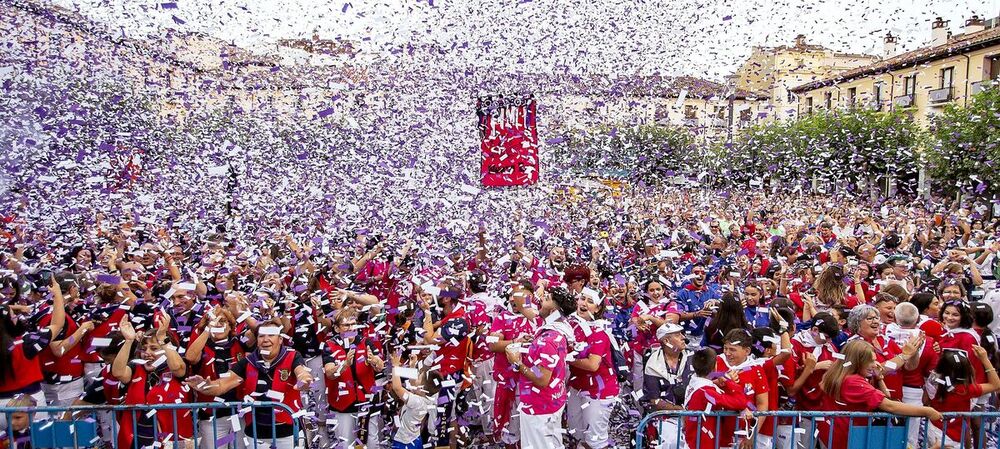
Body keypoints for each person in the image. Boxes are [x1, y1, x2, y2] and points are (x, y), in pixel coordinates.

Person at [186, 319, 315, 449]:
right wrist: (205, 386)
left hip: (287, 433)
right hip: (255, 434)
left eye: (271, 335)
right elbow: (222, 385)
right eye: (261, 336)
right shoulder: (248, 362)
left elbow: (302, 372)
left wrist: (304, 379)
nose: (265, 339)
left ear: (280, 339)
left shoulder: (292, 356)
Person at [816, 339, 941, 449]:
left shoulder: (836, 373)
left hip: (835, 435)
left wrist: (880, 379)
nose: (875, 365)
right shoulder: (852, 381)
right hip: (849, 438)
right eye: (870, 361)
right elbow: (890, 405)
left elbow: (886, 396)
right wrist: (927, 411)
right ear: (858, 361)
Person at [504, 286, 577, 449]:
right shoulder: (557, 328)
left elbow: (542, 380)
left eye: (547, 298)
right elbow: (544, 371)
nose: (542, 299)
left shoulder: (549, 339)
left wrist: (517, 362)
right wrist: (530, 348)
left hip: (540, 406)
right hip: (551, 401)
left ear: (553, 310)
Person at [111, 313, 192, 449]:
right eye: (144, 349)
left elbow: (178, 368)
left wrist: (162, 339)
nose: (147, 352)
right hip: (137, 439)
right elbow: (118, 372)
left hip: (170, 440)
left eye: (154, 348)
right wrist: (129, 341)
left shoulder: (174, 365)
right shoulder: (136, 366)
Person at [0, 276, 65, 429]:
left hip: (1, 407)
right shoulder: (26, 342)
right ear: (11, 321)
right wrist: (57, 295)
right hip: (29, 404)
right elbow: (57, 324)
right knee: (36, 442)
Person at [566, 288, 619, 449]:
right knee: (580, 435)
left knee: (595, 441)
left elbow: (592, 364)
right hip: (577, 388)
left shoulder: (599, 332)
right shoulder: (571, 326)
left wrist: (565, 357)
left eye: (590, 301)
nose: (583, 303)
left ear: (597, 308)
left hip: (599, 392)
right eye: (582, 298)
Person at [925, 345, 1000, 449]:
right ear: (966, 369)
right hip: (951, 438)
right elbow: (995, 385)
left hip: (934, 430)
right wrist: (985, 359)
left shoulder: (933, 381)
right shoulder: (966, 390)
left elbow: (925, 400)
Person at [683, 348, 750, 449]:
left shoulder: (694, 383)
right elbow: (740, 402)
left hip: (696, 441)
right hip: (702, 443)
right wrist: (728, 381)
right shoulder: (706, 393)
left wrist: (718, 381)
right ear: (715, 367)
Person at [641, 323, 692, 449]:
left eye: (682, 333)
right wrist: (680, 410)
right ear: (666, 340)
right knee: (673, 442)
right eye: (677, 335)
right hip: (665, 418)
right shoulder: (653, 364)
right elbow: (654, 400)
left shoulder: (692, 358)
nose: (683, 337)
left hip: (693, 415)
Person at [387, 350, 442, 449]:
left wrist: (395, 366)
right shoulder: (426, 397)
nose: (416, 376)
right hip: (415, 439)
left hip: (404, 443)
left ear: (422, 388)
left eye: (419, 377)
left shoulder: (417, 402)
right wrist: (412, 366)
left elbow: (397, 388)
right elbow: (413, 384)